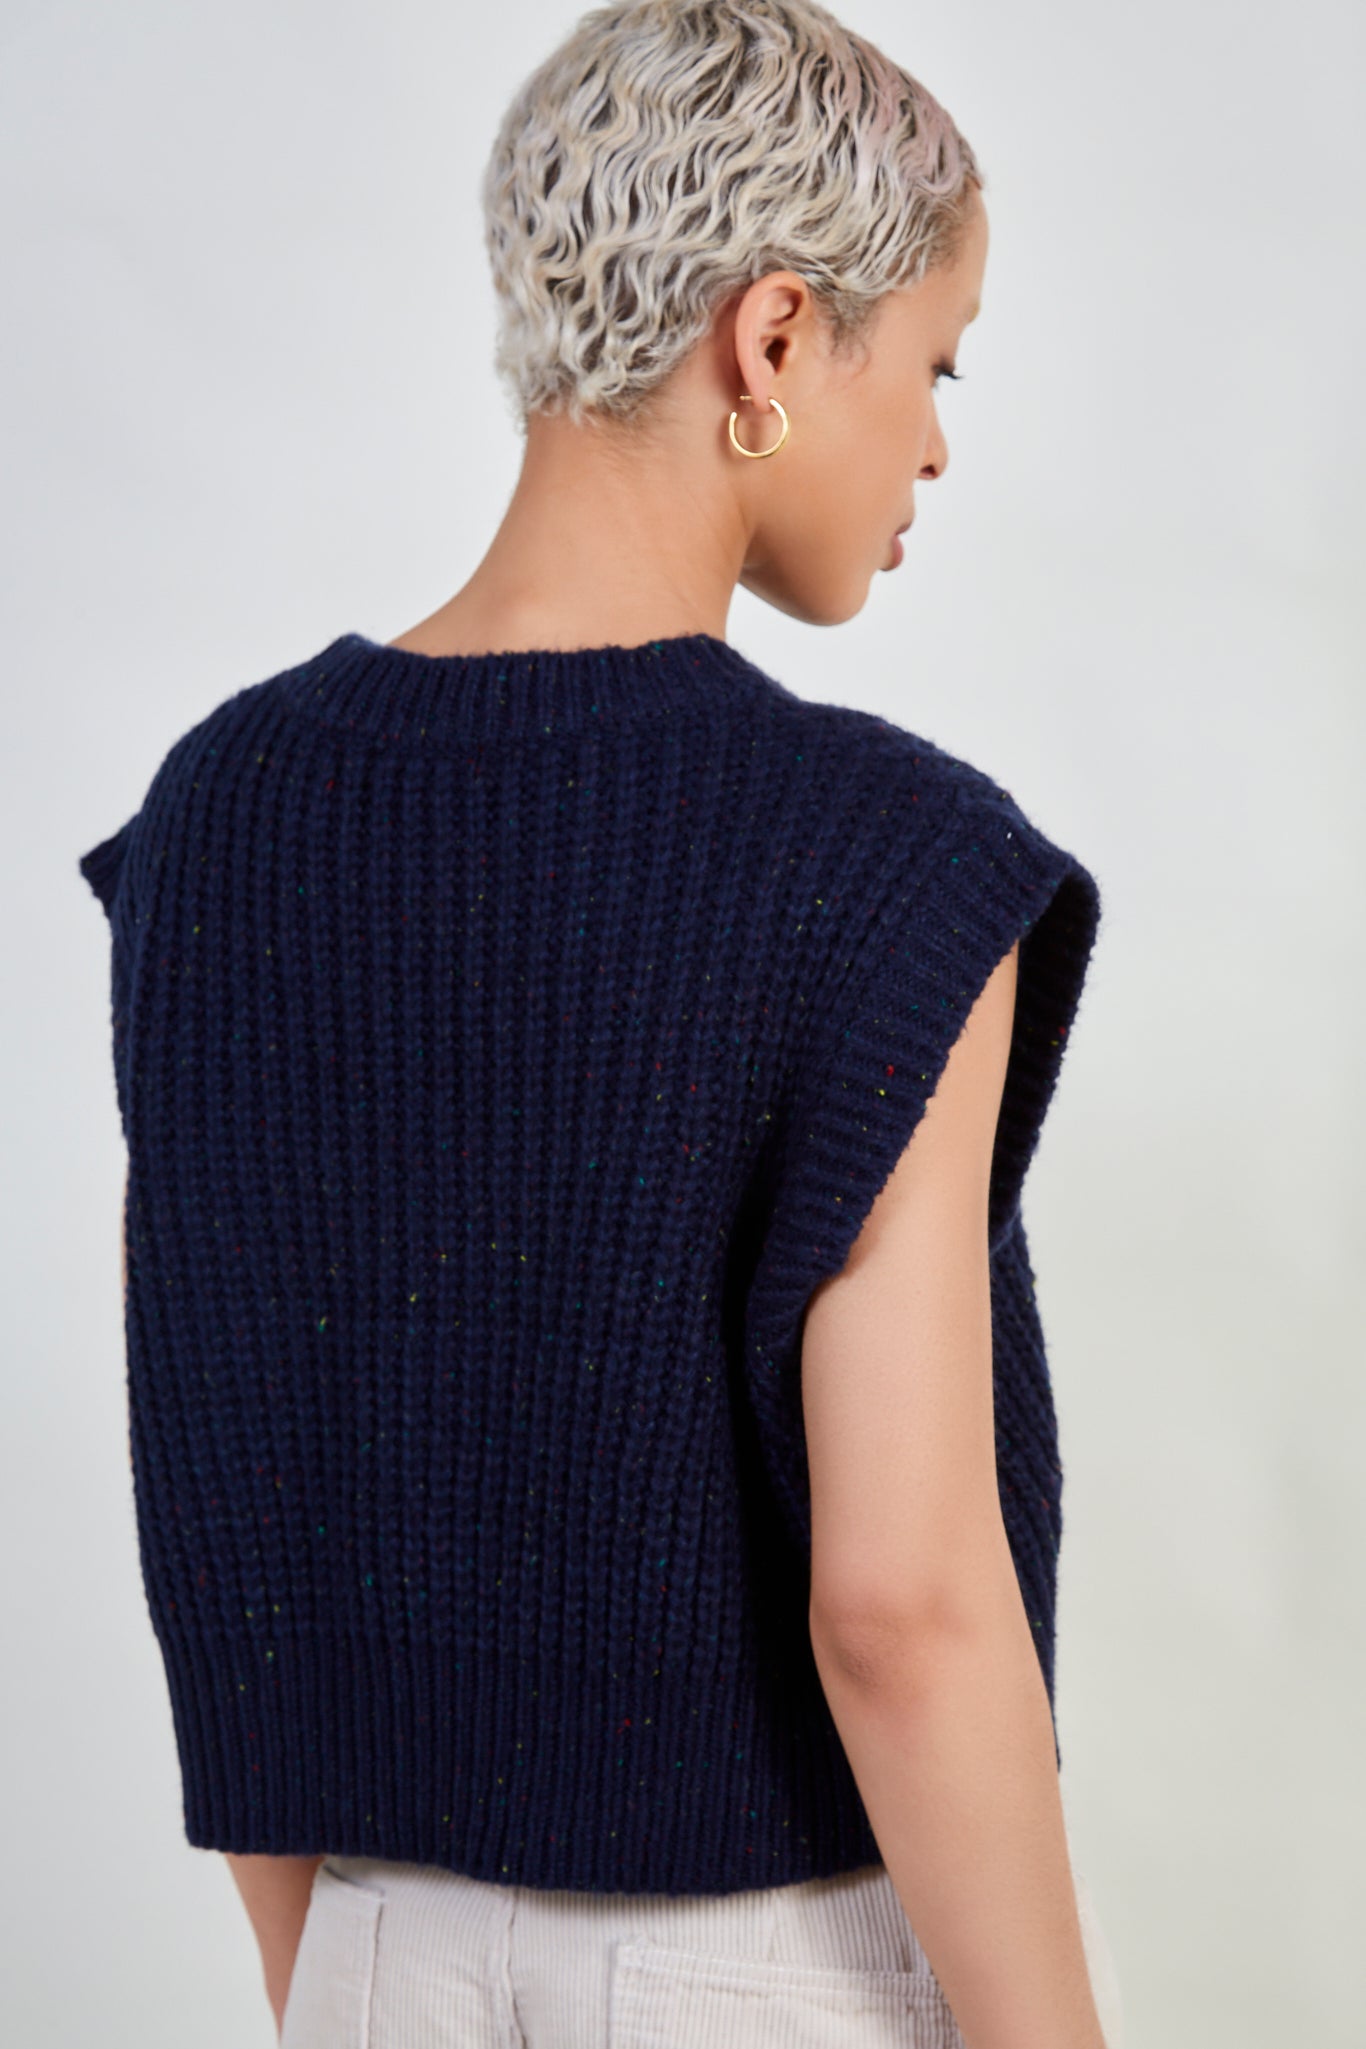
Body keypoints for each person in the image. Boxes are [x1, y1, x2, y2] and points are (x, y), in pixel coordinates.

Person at [78, 2, 1124, 2044]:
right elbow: (899, 1607)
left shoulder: (220, 817)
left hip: (370, 1949)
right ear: (772, 338)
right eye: (932, 362)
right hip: (757, 1974)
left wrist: (338, 1972)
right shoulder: (885, 859)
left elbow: (216, 1495)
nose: (933, 443)